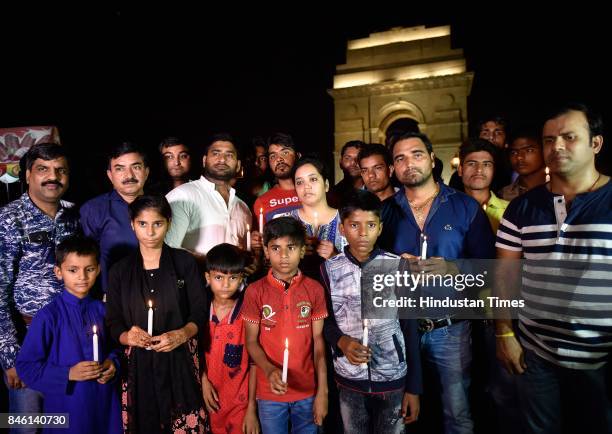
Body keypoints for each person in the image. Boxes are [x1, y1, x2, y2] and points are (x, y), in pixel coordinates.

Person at [495, 103, 612, 433]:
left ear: (596, 143)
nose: (557, 146)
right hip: (536, 355)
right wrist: (504, 332)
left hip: (601, 358)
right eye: (549, 140)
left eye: (569, 137)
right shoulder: (521, 208)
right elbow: (504, 274)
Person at [380, 131, 495, 434]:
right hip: (400, 329)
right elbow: (371, 266)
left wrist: (452, 268)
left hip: (451, 328)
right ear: (393, 168)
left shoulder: (464, 207)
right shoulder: (385, 213)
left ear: (432, 159)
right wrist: (394, 267)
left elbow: (491, 270)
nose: (409, 163)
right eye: (400, 158)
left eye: (417, 154)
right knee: (401, 413)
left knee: (456, 412)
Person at [321, 189, 422, 433]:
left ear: (380, 227)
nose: (363, 233)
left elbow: (409, 326)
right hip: (348, 377)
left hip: (393, 378)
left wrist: (414, 388)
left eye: (370, 225)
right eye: (354, 225)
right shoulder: (329, 270)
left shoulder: (397, 266)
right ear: (343, 229)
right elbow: (325, 322)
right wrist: (342, 341)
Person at [105, 195, 207, 433]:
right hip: (138, 366)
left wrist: (182, 334)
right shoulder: (120, 270)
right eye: (143, 224)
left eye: (157, 224)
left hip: (180, 358)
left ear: (168, 223)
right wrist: (126, 337)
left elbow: (200, 312)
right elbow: (113, 321)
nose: (150, 232)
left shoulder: (184, 262)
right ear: (132, 224)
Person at [0, 143, 80, 423]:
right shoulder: (9, 219)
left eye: (60, 170)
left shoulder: (75, 216)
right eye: (43, 169)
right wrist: (10, 357)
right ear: (27, 175)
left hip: (71, 337)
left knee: (66, 420)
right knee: (26, 424)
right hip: (28, 338)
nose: (52, 177)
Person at [16, 236, 121, 434]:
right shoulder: (48, 316)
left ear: (98, 270)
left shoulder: (105, 311)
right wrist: (68, 373)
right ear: (59, 272)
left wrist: (113, 363)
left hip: (104, 404)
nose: (82, 276)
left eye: (89, 269)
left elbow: (118, 348)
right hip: (66, 406)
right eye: (73, 270)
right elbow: (26, 366)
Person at [242, 217, 328, 433]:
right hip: (269, 392)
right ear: (266, 251)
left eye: (290, 247)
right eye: (276, 248)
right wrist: (270, 370)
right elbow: (251, 342)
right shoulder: (255, 291)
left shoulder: (314, 289)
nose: (283, 256)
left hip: (308, 390)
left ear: (301, 251)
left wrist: (322, 391)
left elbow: (318, 342)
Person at [202, 243, 260, 434]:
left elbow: (254, 363)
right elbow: (191, 353)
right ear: (207, 277)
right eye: (219, 277)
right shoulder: (199, 311)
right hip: (205, 403)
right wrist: (202, 379)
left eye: (233, 277)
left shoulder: (247, 315)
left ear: (241, 278)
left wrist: (251, 409)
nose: (226, 285)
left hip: (239, 407)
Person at [165, 133, 252, 259]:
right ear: (204, 161)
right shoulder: (183, 195)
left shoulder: (243, 208)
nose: (222, 159)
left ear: (238, 165)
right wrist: (213, 265)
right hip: (193, 278)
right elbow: (168, 249)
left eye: (229, 155)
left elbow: (243, 255)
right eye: (216, 153)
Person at [80, 141, 150, 292]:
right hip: (111, 299)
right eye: (120, 169)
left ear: (146, 172)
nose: (129, 175)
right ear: (110, 175)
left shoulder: (161, 207)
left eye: (136, 167)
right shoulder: (93, 210)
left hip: (157, 294)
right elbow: (84, 262)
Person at [458, 138, 509, 233]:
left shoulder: (510, 211)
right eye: (472, 164)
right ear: (460, 170)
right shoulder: (447, 210)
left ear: (493, 171)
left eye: (486, 164)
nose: (479, 170)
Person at [252, 133, 301, 228]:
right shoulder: (262, 202)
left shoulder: (312, 192)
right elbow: (263, 239)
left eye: (285, 152)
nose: (279, 159)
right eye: (273, 156)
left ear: (298, 156)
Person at [499, 129, 546, 201]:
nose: (519, 157)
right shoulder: (504, 194)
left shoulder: (558, 188)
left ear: (544, 151)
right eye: (514, 152)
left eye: (529, 150)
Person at [328, 140, 365, 208]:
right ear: (340, 163)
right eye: (347, 158)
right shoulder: (332, 195)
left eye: (359, 158)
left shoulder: (376, 190)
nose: (353, 162)